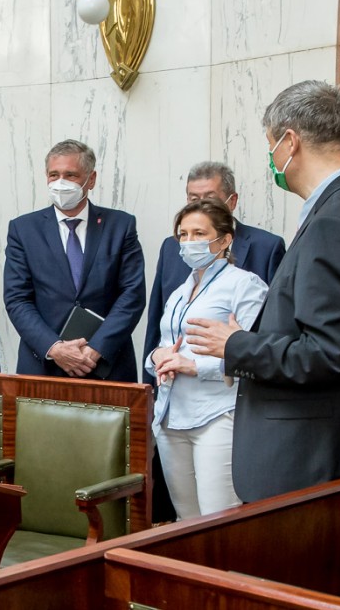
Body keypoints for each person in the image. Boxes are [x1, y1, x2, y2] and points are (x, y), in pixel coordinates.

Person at [187, 80, 340, 503]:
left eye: (271, 145)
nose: (272, 159)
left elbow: (327, 353)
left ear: (290, 142)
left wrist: (236, 345)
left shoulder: (335, 220)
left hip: (319, 455)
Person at [146, 199, 267, 518]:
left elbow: (254, 355)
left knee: (218, 518)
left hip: (217, 414)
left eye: (199, 233)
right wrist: (158, 356)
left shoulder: (245, 285)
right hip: (171, 415)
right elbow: (165, 344)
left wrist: (192, 366)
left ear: (225, 240)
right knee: (186, 519)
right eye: (183, 234)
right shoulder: (180, 292)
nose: (189, 242)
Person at [4, 139, 146, 382]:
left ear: (91, 179)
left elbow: (132, 294)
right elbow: (17, 299)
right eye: (54, 175)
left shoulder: (121, 226)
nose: (60, 183)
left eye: (70, 175)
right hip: (44, 368)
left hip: (107, 367)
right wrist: (55, 348)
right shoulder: (23, 229)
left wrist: (97, 348)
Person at [144, 161, 284, 374]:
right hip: (170, 386)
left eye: (210, 199)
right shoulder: (172, 247)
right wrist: (153, 364)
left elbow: (269, 335)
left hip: (228, 385)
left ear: (232, 201)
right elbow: (157, 320)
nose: (201, 206)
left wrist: (197, 367)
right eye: (194, 199)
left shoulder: (266, 247)